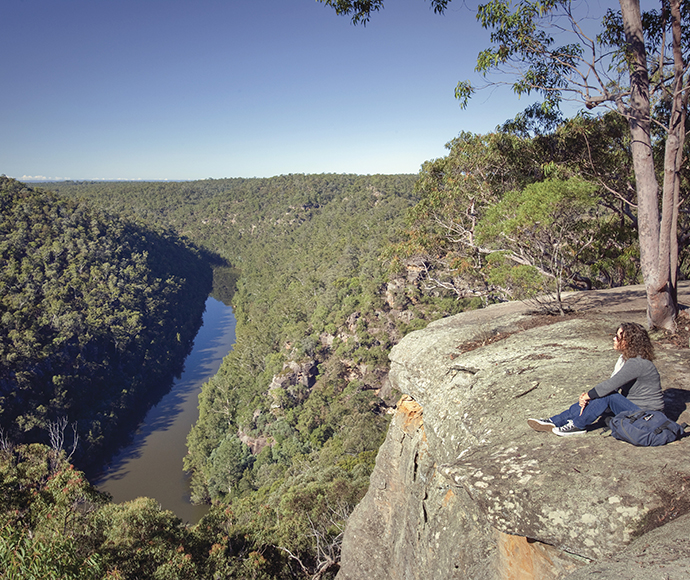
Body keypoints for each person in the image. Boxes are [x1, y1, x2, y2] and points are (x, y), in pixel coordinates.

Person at [528, 322, 664, 436]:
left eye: (617, 337)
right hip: (635, 408)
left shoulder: (637, 363)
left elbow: (610, 385)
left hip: (648, 415)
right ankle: (554, 421)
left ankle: (577, 425)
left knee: (606, 395)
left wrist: (587, 395)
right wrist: (589, 397)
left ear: (628, 342)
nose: (614, 339)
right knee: (599, 396)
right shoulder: (627, 359)